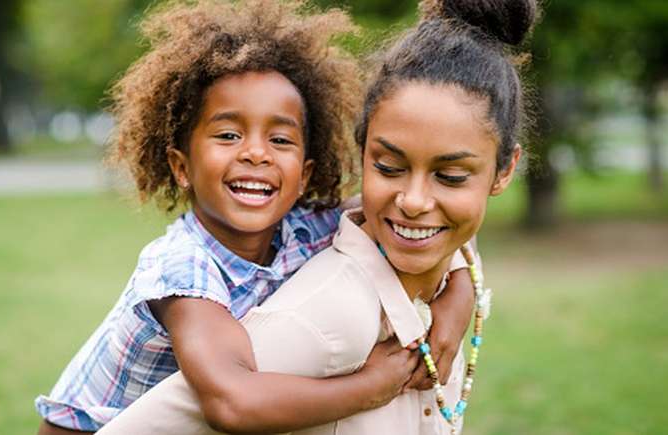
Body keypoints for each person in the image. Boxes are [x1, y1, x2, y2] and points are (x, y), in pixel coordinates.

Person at [35, 1, 480, 433]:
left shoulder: (304, 228)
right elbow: (231, 403)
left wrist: (457, 299)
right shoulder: (183, 267)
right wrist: (370, 387)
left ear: (305, 174)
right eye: (228, 134)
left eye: (281, 140)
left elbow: (415, 220)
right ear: (181, 167)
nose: (255, 152)